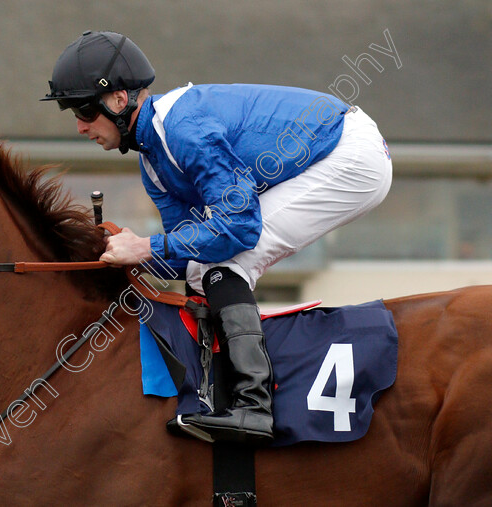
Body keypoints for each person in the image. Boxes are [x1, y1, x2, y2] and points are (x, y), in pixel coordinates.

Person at [42, 31, 392, 444]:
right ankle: (226, 392)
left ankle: (255, 407)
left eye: (84, 110)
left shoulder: (181, 128)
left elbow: (239, 228)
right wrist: (119, 253)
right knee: (202, 269)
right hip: (333, 154)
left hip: (351, 156)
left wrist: (146, 247)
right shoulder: (153, 163)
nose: (80, 126)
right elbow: (189, 248)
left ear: (120, 99)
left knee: (227, 262)